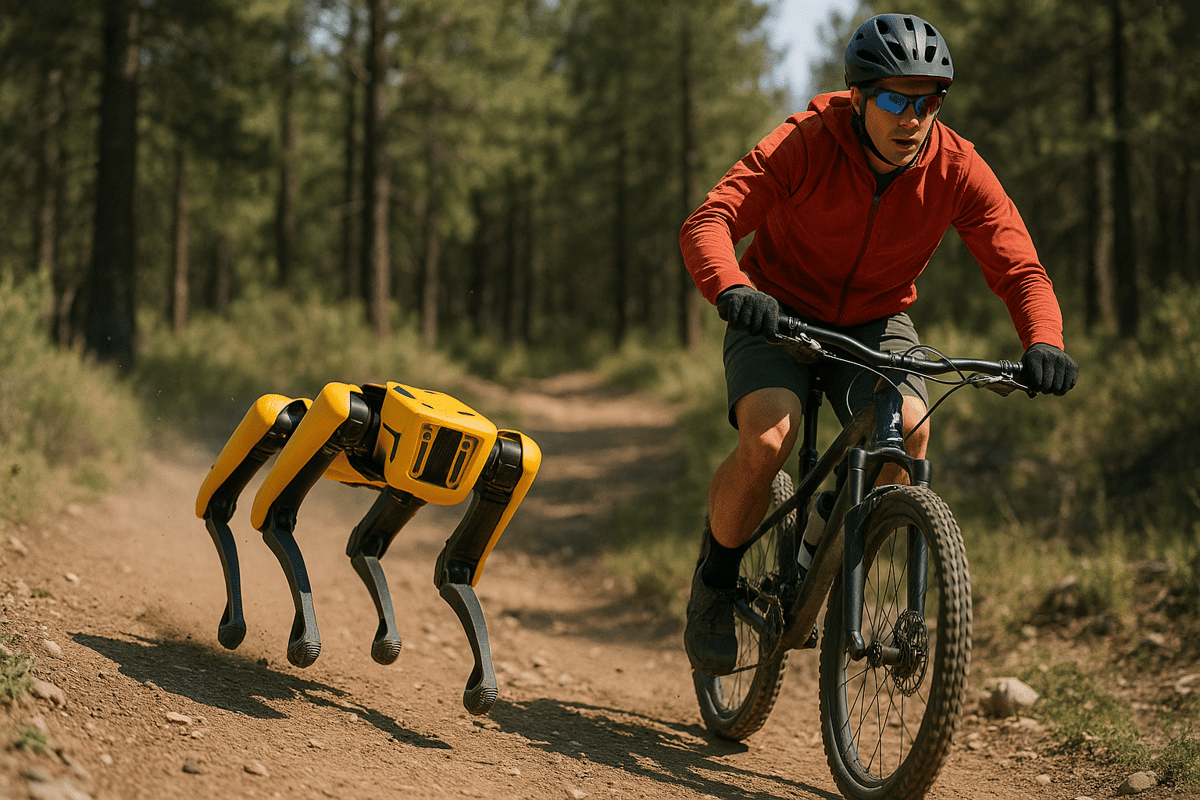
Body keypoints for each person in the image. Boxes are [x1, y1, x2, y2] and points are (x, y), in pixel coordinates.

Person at [678, 12, 1078, 676]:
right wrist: (732, 288)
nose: (913, 117)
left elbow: (1019, 267)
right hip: (775, 312)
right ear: (860, 97)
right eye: (895, 98)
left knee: (909, 434)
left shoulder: (956, 166)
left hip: (875, 321)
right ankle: (715, 583)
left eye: (928, 101)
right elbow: (712, 218)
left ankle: (824, 535)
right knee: (771, 438)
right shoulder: (806, 141)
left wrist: (1045, 341)